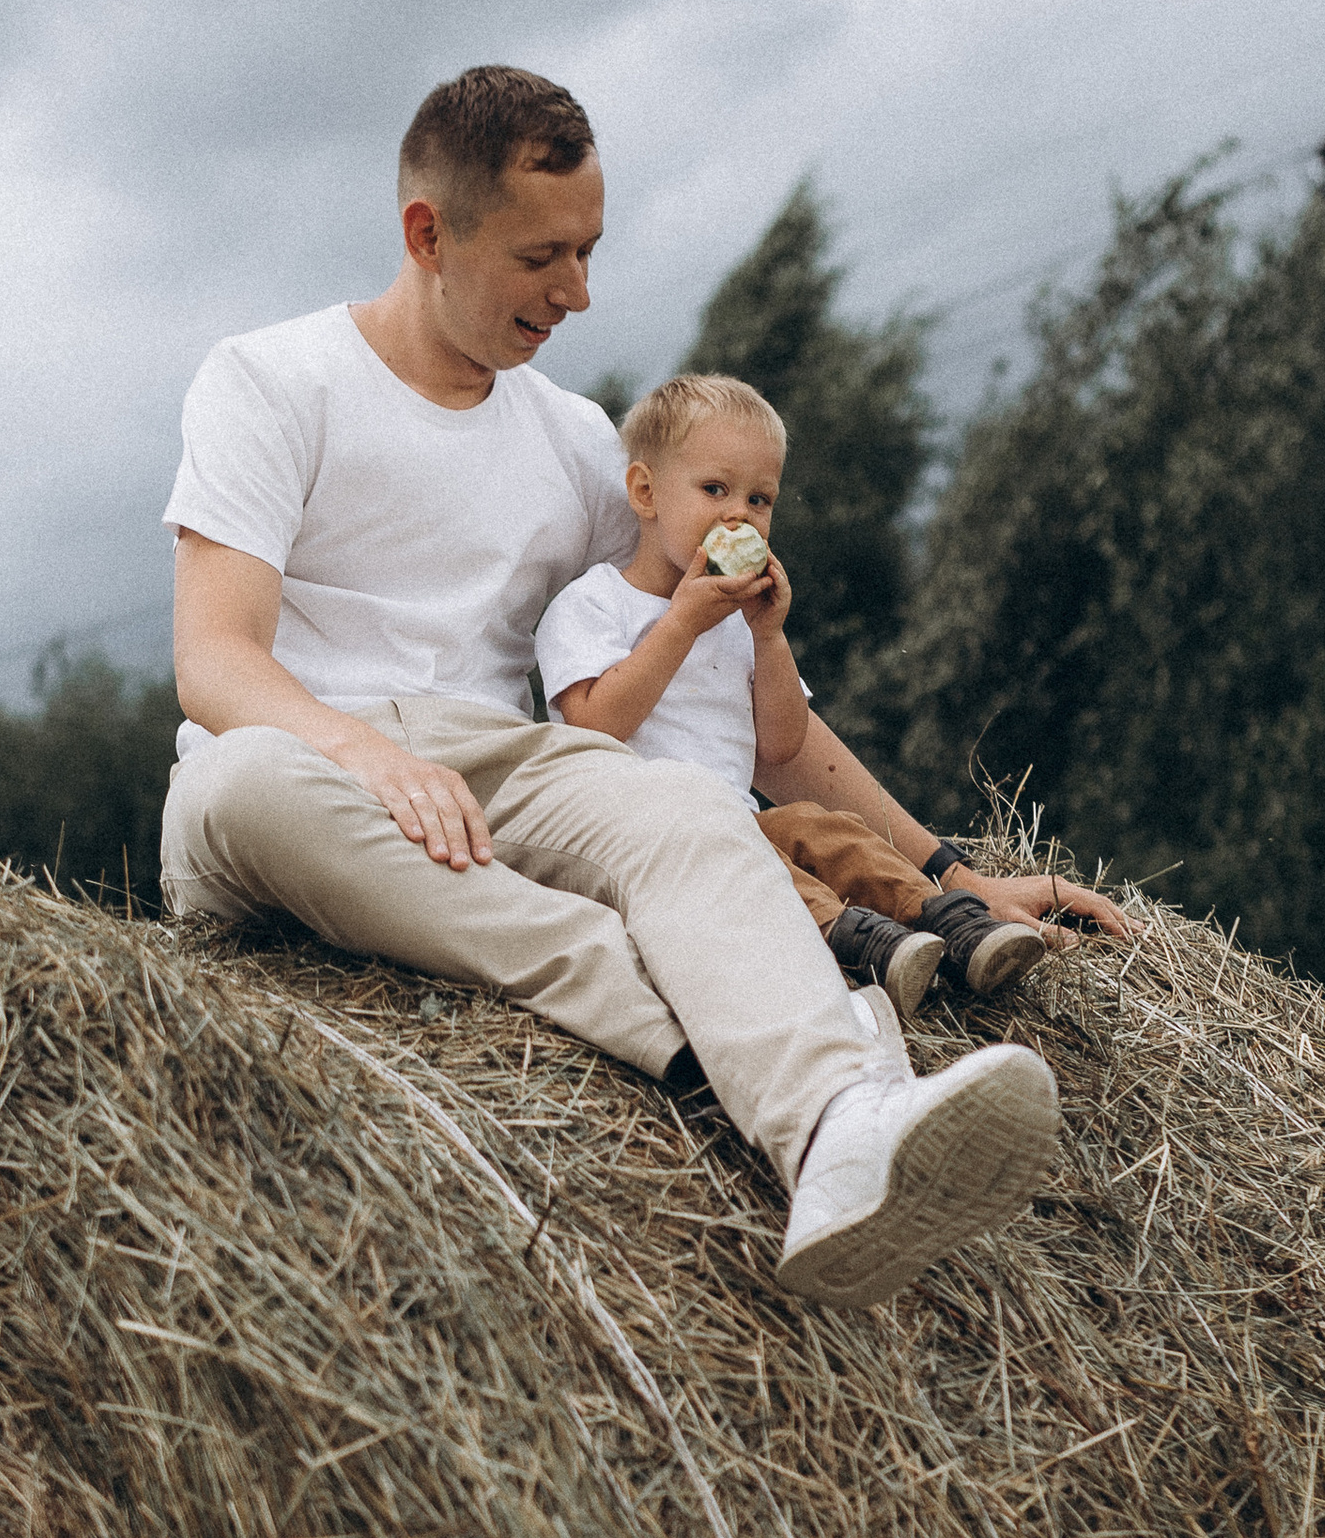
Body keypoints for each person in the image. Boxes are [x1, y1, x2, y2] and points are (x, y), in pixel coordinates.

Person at [159, 64, 1094, 1309]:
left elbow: (739, 704)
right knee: (241, 785)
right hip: (300, 771)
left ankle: (835, 1131)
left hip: (501, 774)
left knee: (687, 808)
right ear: (428, 235)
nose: (578, 292)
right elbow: (215, 661)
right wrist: (369, 758)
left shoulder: (579, 445)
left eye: (589, 251)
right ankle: (690, 999)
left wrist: (946, 872)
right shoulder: (271, 380)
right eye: (541, 256)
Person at [536, 369, 1064, 1023]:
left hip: (742, 821)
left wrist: (768, 637)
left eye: (759, 499)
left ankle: (952, 923)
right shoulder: (593, 604)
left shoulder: (739, 623)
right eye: (714, 489)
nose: (738, 514)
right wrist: (681, 624)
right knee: (760, 871)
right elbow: (593, 727)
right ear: (646, 492)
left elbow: (782, 744)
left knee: (826, 829)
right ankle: (859, 945)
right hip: (656, 842)